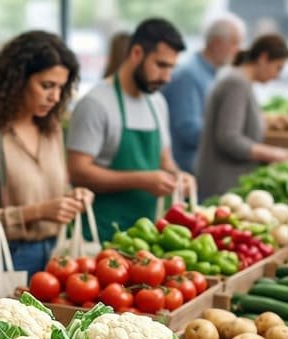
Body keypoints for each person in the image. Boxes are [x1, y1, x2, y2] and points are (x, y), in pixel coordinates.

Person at [0, 31, 94, 274]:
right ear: (17, 81)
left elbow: (50, 190)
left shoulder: (51, 129)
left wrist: (73, 197)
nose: (55, 97)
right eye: (46, 86)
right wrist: (39, 212)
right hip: (5, 259)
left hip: (55, 255)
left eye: (62, 88)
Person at [68, 18, 194, 242]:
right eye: (161, 65)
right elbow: (77, 171)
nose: (167, 77)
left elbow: (165, 161)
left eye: (172, 67)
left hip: (146, 235)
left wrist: (179, 177)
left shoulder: (157, 103)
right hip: (100, 235)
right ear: (137, 53)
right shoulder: (96, 103)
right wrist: (141, 180)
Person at [196, 34, 288, 198]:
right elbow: (228, 138)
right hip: (222, 187)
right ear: (263, 58)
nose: (278, 75)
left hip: (228, 186)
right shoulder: (236, 83)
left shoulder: (240, 82)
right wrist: (272, 154)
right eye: (278, 67)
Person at [161, 15, 245, 174]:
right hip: (184, 170)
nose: (239, 49)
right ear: (217, 43)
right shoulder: (189, 75)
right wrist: (228, 137)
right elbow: (188, 129)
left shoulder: (212, 74)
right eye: (235, 42)